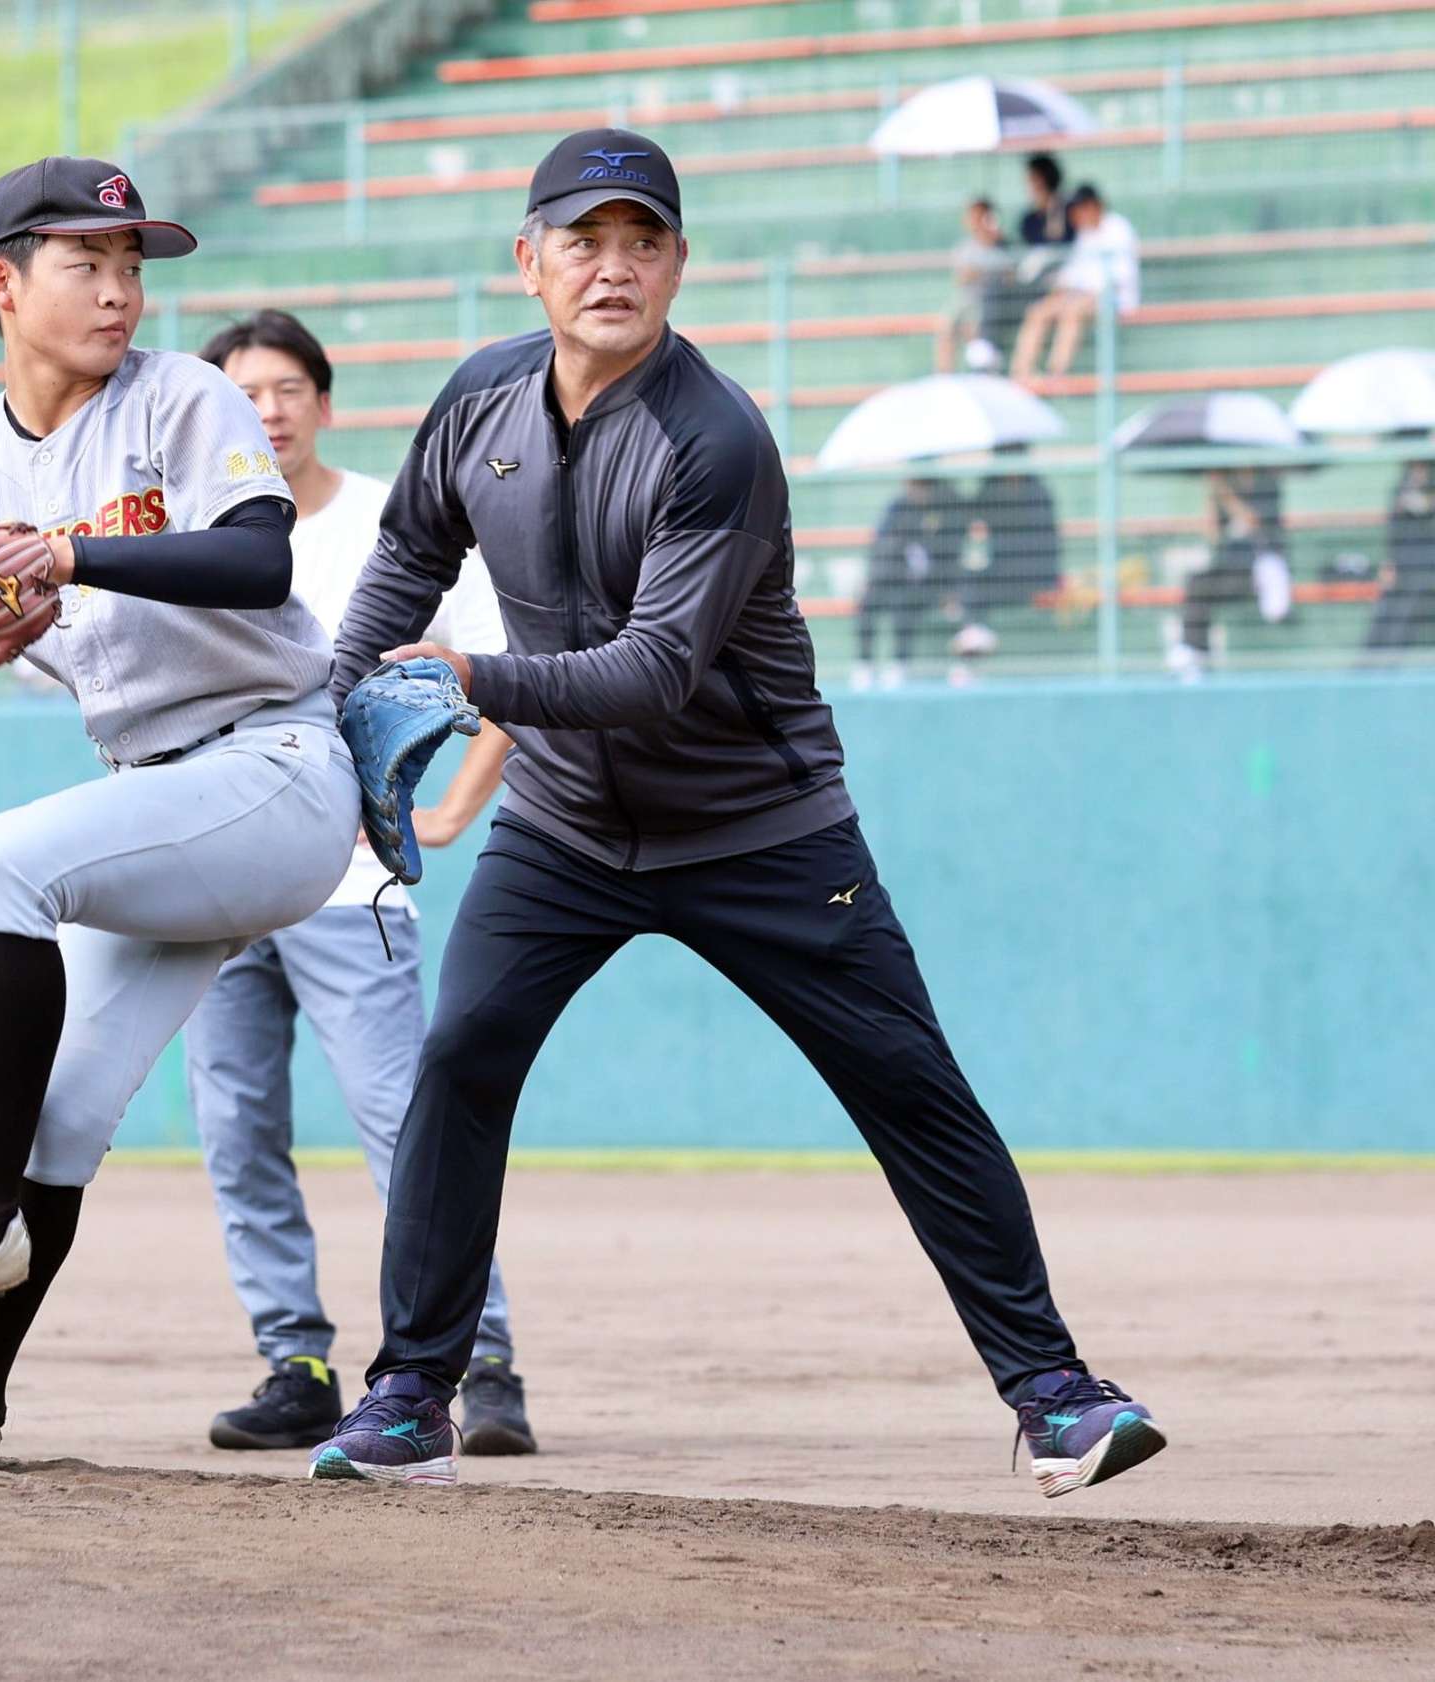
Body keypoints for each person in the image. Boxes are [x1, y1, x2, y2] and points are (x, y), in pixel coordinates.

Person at [303, 127, 1166, 1498]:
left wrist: (467, 676)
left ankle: (1055, 1392)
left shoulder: (715, 438)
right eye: (583, 239)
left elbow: (651, 673)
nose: (613, 265)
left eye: (643, 239)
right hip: (568, 830)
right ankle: (412, 1396)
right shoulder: (478, 405)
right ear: (527, 262)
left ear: (680, 265)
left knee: (910, 1087)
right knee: (461, 1058)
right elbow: (409, 549)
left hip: (764, 829)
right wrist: (338, 719)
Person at [0, 157, 362, 1470]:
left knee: (5, 860)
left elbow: (258, 560)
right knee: (59, 1114)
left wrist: (58, 552)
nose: (119, 289)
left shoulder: (183, 396)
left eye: (133, 265)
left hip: (274, 767)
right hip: (157, 797)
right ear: (4, 282)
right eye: (86, 261)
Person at [184, 309, 536, 1456]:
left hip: (350, 884)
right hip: (219, 887)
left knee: (403, 1124)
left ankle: (479, 1360)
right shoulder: (193, 535)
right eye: (244, 394)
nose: (270, 409)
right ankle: (294, 1360)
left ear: (324, 402)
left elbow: (503, 673)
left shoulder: (392, 520)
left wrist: (446, 809)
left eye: (289, 388)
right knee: (237, 1127)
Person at [1169, 467, 1292, 678]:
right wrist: (1212, 497)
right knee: (1197, 582)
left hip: (1259, 567)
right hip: (1231, 566)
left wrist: (1223, 492)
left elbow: (1253, 521)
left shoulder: (1266, 484)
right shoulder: (1226, 486)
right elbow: (1214, 535)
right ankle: (1195, 653)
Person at [1010, 185, 1139, 384]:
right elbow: (1072, 276)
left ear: (1093, 206)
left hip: (1115, 299)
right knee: (1038, 311)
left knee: (1072, 310)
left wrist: (1080, 295)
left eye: (1078, 209)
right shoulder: (1084, 236)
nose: (1073, 216)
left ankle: (1056, 374)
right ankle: (1021, 374)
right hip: (1081, 296)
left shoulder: (1118, 228)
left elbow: (1119, 279)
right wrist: (1058, 292)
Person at [853, 476, 968, 687]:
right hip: (892, 577)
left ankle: (900, 663)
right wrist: (872, 578)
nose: (915, 491)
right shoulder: (898, 507)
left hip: (930, 584)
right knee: (867, 603)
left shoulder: (947, 508)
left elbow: (951, 555)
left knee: (903, 604)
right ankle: (864, 664)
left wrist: (947, 590)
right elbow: (881, 546)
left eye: (922, 486)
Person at [953, 458, 1062, 658]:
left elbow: (1041, 543)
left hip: (1032, 574)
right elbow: (971, 517)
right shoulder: (989, 490)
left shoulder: (1038, 494)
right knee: (971, 575)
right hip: (1000, 573)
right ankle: (973, 633)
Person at [934, 198, 1018, 375]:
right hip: (966, 299)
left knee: (974, 326)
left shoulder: (1003, 247)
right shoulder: (965, 248)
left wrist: (981, 271)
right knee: (946, 325)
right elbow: (962, 278)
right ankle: (944, 376)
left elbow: (1009, 276)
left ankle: (982, 372)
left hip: (990, 303)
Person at [1365, 459, 1435, 653]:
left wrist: (1420, 502)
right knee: (1385, 615)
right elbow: (1394, 530)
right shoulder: (1401, 484)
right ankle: (1366, 668)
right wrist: (1389, 563)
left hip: (1425, 568)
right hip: (1402, 564)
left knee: (1404, 618)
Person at [1018, 153, 1072, 249]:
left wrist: (1055, 210)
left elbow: (1058, 244)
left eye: (1033, 179)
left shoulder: (1070, 213)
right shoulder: (1029, 220)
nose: (1029, 185)